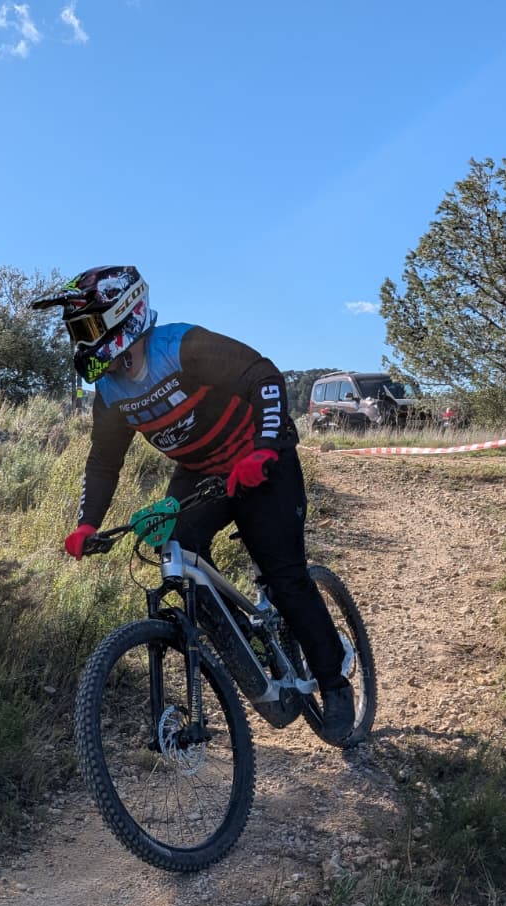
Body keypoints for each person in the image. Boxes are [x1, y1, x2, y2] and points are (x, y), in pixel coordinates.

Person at [32, 265, 356, 744]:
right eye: (77, 331)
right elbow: (103, 462)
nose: (82, 340)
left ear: (123, 314)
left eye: (88, 327)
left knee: (285, 576)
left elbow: (263, 376)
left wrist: (264, 448)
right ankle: (251, 641)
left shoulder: (181, 348)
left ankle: (333, 683)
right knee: (178, 559)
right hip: (202, 472)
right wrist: (86, 523)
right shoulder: (110, 391)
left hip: (261, 460)